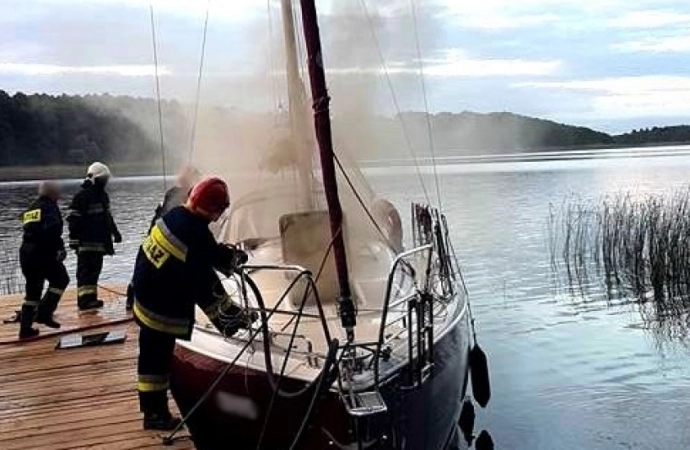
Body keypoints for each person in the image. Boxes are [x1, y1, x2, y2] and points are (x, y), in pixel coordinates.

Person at [132, 177, 253, 430]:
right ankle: (155, 416)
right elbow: (206, 286)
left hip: (145, 296)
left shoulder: (177, 216)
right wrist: (233, 321)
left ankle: (153, 411)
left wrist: (225, 257)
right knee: (157, 361)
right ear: (215, 210)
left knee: (150, 358)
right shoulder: (194, 232)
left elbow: (207, 252)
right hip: (160, 306)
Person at [125, 165, 201, 310]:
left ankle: (133, 298)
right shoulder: (184, 196)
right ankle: (136, 297)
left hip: (154, 235)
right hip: (166, 239)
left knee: (145, 266)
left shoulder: (171, 194)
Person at [18, 181, 70, 339]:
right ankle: (44, 313)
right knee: (61, 280)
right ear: (52, 193)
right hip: (42, 252)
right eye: (58, 192)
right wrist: (60, 249)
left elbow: (26, 226)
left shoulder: (32, 207)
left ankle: (25, 329)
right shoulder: (49, 207)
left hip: (26, 253)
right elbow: (52, 230)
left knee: (32, 291)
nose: (60, 194)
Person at [67, 162, 122, 311]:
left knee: (94, 272)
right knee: (85, 273)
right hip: (86, 243)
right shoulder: (82, 197)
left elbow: (107, 217)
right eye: (102, 179)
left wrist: (115, 233)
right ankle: (84, 301)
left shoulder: (102, 196)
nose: (105, 182)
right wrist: (74, 241)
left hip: (99, 243)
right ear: (92, 178)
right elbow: (73, 220)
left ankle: (91, 298)